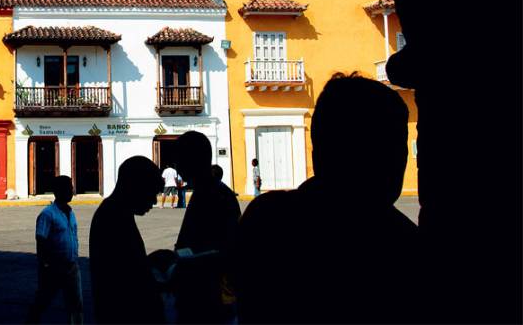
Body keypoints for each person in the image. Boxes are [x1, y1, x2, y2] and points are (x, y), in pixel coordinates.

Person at [234, 73, 419, 324]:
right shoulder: (405, 247)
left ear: (316, 152)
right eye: (391, 148)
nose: (399, 161)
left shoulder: (266, 220)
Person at [173, 133, 241, 324]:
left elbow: (226, 250)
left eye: (180, 160)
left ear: (191, 161)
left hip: (209, 300)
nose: (177, 167)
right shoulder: (208, 192)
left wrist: (182, 265)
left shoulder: (215, 196)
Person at [90, 156, 165, 324]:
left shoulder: (116, 213)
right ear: (136, 187)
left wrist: (149, 262)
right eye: (151, 192)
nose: (153, 201)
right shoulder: (112, 217)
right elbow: (124, 283)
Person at [27, 175, 83, 324]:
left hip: (71, 267)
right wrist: (45, 264)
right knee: (43, 301)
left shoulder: (70, 213)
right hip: (53, 267)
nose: (72, 191)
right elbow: (41, 239)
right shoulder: (47, 214)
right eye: (69, 188)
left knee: (76, 305)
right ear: (58, 191)